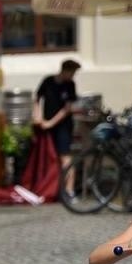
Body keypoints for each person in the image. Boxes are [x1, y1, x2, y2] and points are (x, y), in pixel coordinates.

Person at [35, 59, 82, 187]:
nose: (73, 76)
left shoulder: (70, 85)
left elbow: (67, 109)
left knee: (65, 156)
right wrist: (38, 116)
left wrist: (51, 123)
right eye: (72, 72)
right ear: (64, 71)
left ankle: (69, 189)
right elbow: (38, 98)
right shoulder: (48, 81)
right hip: (45, 123)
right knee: (48, 156)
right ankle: (50, 187)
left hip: (63, 126)